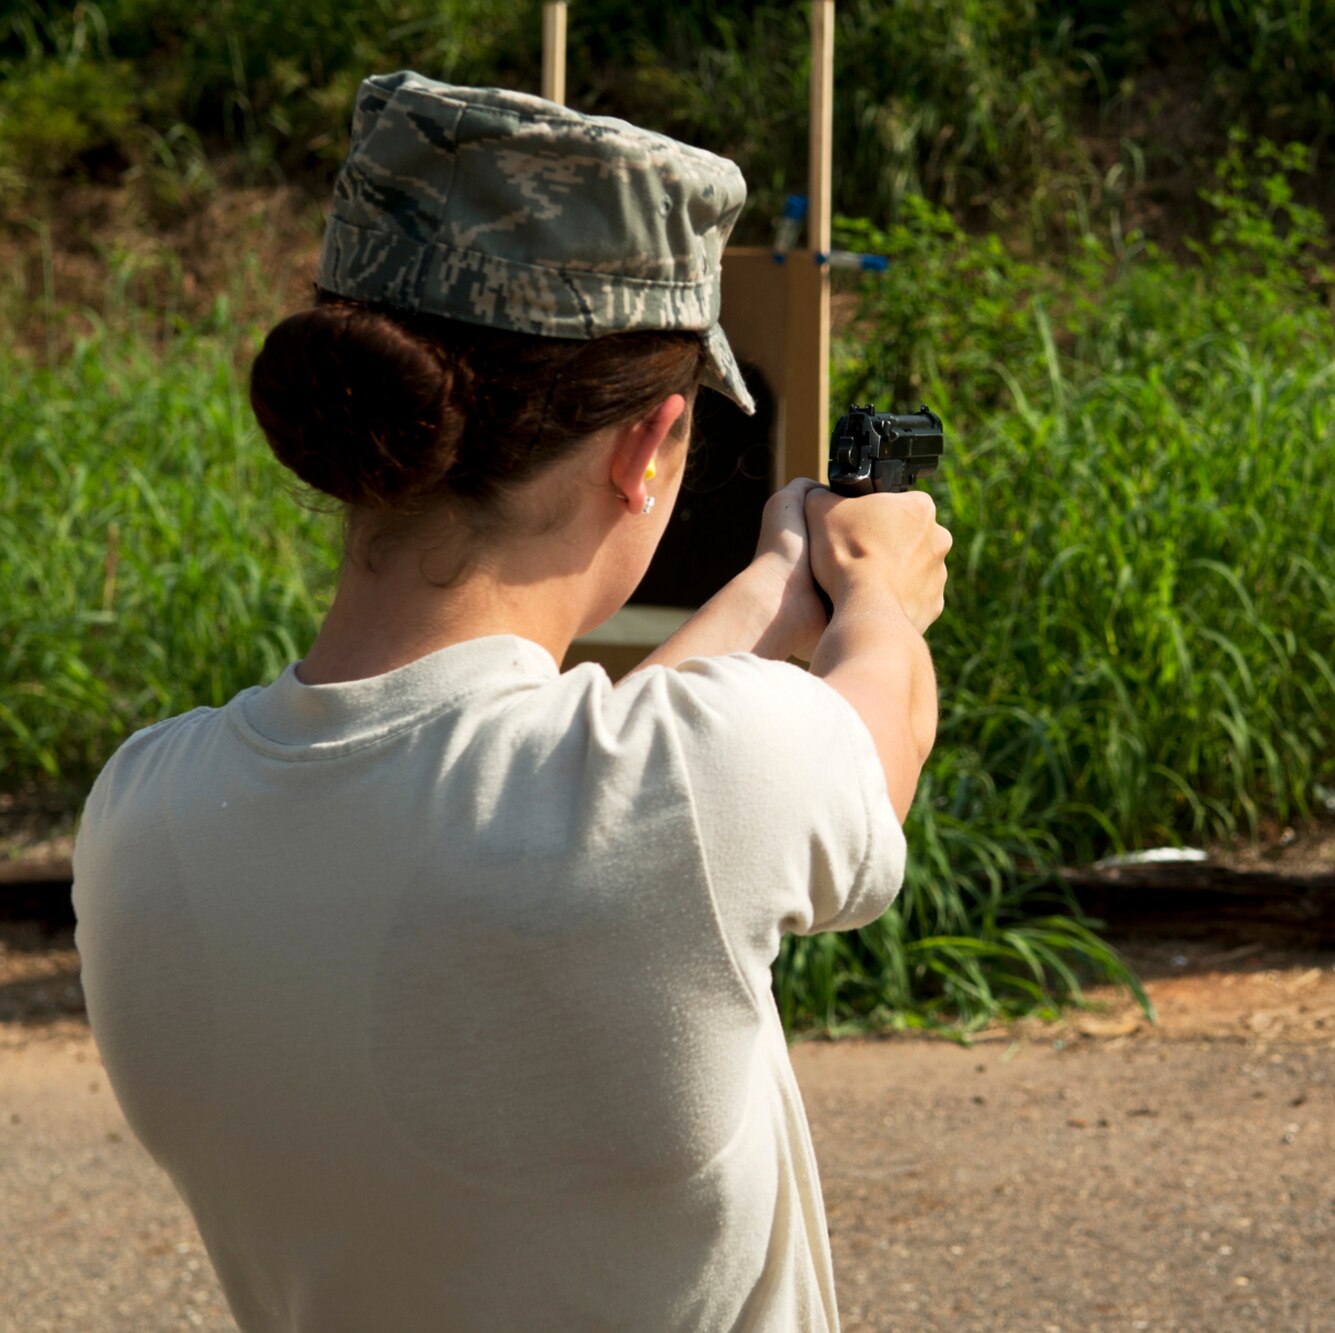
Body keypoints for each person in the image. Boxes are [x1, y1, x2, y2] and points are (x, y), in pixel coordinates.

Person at [70, 71, 950, 1332]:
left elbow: (566, 784)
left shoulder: (142, 811)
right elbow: (871, 738)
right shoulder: (678, 788)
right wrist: (879, 592)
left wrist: (775, 581)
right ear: (647, 447)